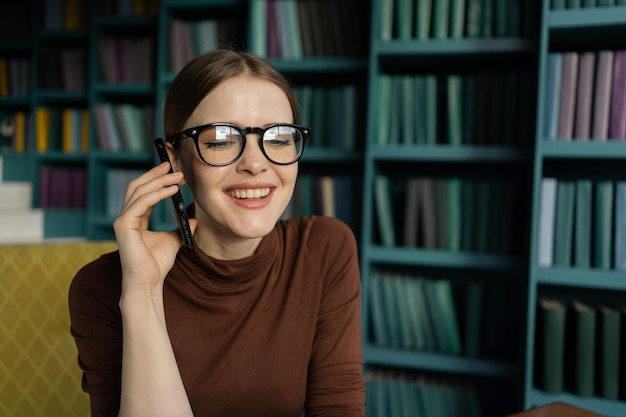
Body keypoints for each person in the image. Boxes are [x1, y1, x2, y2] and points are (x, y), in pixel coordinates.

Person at [68, 48, 365, 417]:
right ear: (174, 159)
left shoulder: (325, 249)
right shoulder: (102, 286)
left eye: (278, 138)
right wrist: (142, 293)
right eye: (221, 139)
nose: (256, 164)